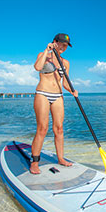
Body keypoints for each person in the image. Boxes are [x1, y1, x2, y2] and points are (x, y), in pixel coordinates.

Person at [30, 33, 78, 174]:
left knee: (59, 129)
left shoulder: (66, 63)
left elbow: (65, 83)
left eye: (66, 45)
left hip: (58, 95)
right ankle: (34, 162)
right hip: (43, 93)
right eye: (61, 44)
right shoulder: (44, 54)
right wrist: (47, 50)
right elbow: (37, 67)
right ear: (54, 42)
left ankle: (61, 158)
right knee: (42, 128)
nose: (63, 47)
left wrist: (73, 91)